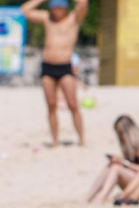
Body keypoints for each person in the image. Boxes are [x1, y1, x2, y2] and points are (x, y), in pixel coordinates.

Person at [20, 0, 88, 147]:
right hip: (48, 67)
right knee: (51, 105)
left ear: (64, 7)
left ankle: (82, 139)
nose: (56, 10)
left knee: (73, 104)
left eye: (59, 7)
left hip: (65, 66)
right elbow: (24, 10)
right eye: (54, 7)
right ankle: (55, 140)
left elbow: (83, 3)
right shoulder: (47, 18)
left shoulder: (73, 18)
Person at [86, 115, 139, 203]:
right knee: (112, 165)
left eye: (121, 133)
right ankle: (89, 196)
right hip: (136, 180)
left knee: (116, 168)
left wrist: (124, 162)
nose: (120, 136)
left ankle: (102, 196)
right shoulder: (130, 147)